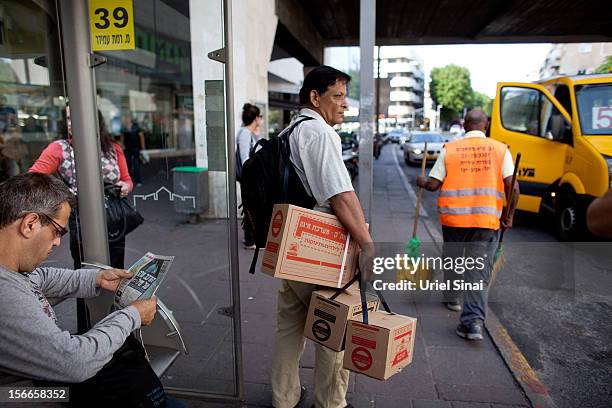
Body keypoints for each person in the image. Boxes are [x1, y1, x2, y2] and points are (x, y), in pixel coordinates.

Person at [0, 172, 166, 407]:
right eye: (58, 231)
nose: (58, 242)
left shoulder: (12, 269)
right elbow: (74, 362)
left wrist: (97, 279)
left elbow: (42, 278)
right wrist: (132, 316)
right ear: (30, 224)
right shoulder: (5, 295)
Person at [270, 65, 373, 408]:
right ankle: (330, 402)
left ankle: (283, 398)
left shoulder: (288, 131)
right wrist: (366, 243)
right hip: (322, 248)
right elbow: (340, 196)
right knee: (332, 327)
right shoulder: (319, 132)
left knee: (290, 326)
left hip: (292, 242)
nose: (345, 104)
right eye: (338, 96)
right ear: (315, 97)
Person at [416, 108, 519, 341]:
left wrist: (420, 180)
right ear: (487, 124)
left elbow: (433, 184)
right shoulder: (501, 150)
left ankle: (453, 298)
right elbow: (514, 188)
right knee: (477, 269)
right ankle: (471, 323)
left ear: (464, 125)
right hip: (486, 221)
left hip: (454, 219)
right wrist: (509, 216)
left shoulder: (450, 149)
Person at [29, 108, 133, 269]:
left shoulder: (112, 147)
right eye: (69, 118)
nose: (73, 122)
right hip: (81, 216)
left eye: (79, 117)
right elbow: (33, 178)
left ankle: (113, 295)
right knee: (85, 267)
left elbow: (127, 180)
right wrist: (64, 194)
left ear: (96, 121)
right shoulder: (59, 148)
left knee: (116, 265)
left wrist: (124, 186)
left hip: (113, 213)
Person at [236, 102, 263, 249]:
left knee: (251, 206)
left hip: (250, 176)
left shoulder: (249, 133)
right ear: (256, 118)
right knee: (251, 207)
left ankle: (250, 239)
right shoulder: (245, 133)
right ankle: (250, 240)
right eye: (260, 117)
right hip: (249, 177)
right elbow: (245, 158)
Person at [121, 116, 146, 186]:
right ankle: (129, 177)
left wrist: (143, 147)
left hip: (136, 148)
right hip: (127, 148)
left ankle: (138, 181)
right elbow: (122, 137)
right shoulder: (124, 127)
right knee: (127, 163)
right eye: (125, 118)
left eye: (127, 118)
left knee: (136, 164)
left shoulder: (136, 126)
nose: (126, 119)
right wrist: (122, 146)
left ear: (130, 119)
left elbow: (141, 136)